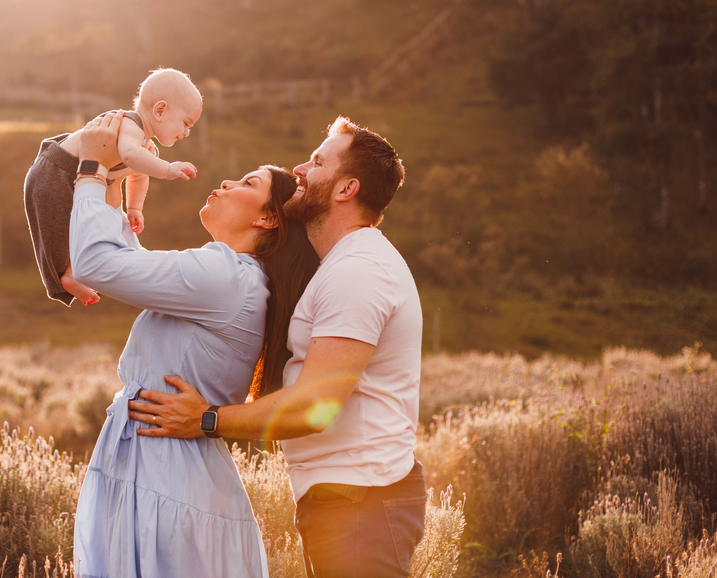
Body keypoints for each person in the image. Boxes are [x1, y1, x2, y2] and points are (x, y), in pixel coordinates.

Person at [127, 116, 424, 578]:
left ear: (347, 189)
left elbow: (315, 406)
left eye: (318, 162)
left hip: (362, 500)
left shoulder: (358, 272)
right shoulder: (342, 265)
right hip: (349, 498)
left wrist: (206, 419)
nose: (300, 168)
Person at [69, 111, 319, 578]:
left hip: (167, 477)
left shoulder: (226, 275)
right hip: (163, 467)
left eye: (246, 182)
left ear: (268, 217)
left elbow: (96, 265)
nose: (225, 182)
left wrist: (90, 168)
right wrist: (113, 180)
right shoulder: (233, 278)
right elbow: (123, 265)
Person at [23, 68, 201, 306]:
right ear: (160, 110)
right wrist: (168, 169)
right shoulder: (130, 125)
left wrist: (135, 207)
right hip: (54, 172)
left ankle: (79, 270)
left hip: (76, 176)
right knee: (59, 228)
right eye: (186, 123)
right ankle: (67, 273)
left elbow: (138, 175)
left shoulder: (146, 148)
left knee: (96, 223)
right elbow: (129, 155)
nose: (187, 132)